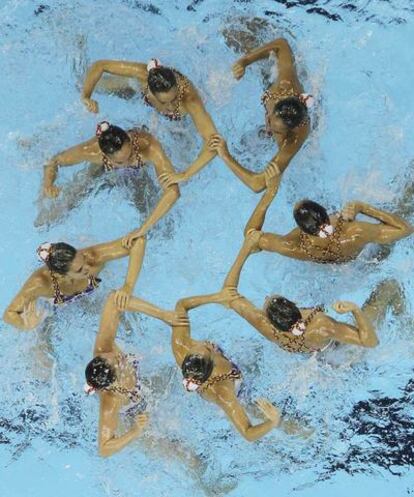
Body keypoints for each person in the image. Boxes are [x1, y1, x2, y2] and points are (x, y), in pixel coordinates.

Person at [118, 291, 281, 442]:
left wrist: (218, 297)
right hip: (239, 393)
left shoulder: (182, 347)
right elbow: (247, 433)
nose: (204, 345)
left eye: (201, 347)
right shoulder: (223, 392)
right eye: (206, 349)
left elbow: (181, 305)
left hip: (222, 372)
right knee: (276, 417)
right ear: (211, 366)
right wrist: (272, 422)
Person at [218, 230, 404, 353]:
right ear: (294, 305)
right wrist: (354, 309)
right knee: (390, 286)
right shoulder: (320, 325)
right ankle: (406, 328)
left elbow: (228, 293)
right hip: (344, 352)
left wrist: (245, 250)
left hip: (320, 357)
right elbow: (371, 342)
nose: (266, 297)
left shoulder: (266, 328)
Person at [81, 58, 218, 189]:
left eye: (175, 98)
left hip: (179, 125)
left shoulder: (190, 100)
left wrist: (185, 174)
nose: (171, 106)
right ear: (150, 91)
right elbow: (101, 65)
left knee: (180, 160)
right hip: (139, 94)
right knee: (92, 84)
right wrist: (86, 96)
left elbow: (213, 142)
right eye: (165, 102)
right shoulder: (143, 75)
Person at [42, 121, 180, 246]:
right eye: (120, 162)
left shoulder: (148, 147)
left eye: (130, 155)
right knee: (67, 202)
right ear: (105, 156)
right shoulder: (92, 152)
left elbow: (173, 191)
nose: (127, 163)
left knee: (156, 221)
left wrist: (143, 229)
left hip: (139, 173)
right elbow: (53, 162)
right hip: (102, 169)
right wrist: (48, 183)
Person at [209, 38, 312, 192]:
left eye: (277, 132)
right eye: (270, 121)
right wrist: (244, 61)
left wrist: (226, 155)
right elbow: (281, 44)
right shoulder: (284, 86)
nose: (268, 130)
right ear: (273, 110)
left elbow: (258, 185)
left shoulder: (294, 138)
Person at [244, 176, 413, 264]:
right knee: (402, 201)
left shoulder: (292, 247)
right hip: (363, 257)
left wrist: (270, 193)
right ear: (326, 211)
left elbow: (250, 237)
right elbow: (405, 229)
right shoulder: (355, 232)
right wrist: (363, 208)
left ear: (302, 230)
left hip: (336, 269)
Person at [3, 234, 142, 331]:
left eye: (82, 259)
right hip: (53, 308)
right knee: (41, 348)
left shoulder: (92, 258)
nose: (87, 268)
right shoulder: (41, 283)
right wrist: (27, 325)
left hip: (88, 298)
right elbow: (9, 314)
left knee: (125, 318)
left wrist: (128, 286)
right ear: (60, 275)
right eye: (80, 269)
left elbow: (138, 241)